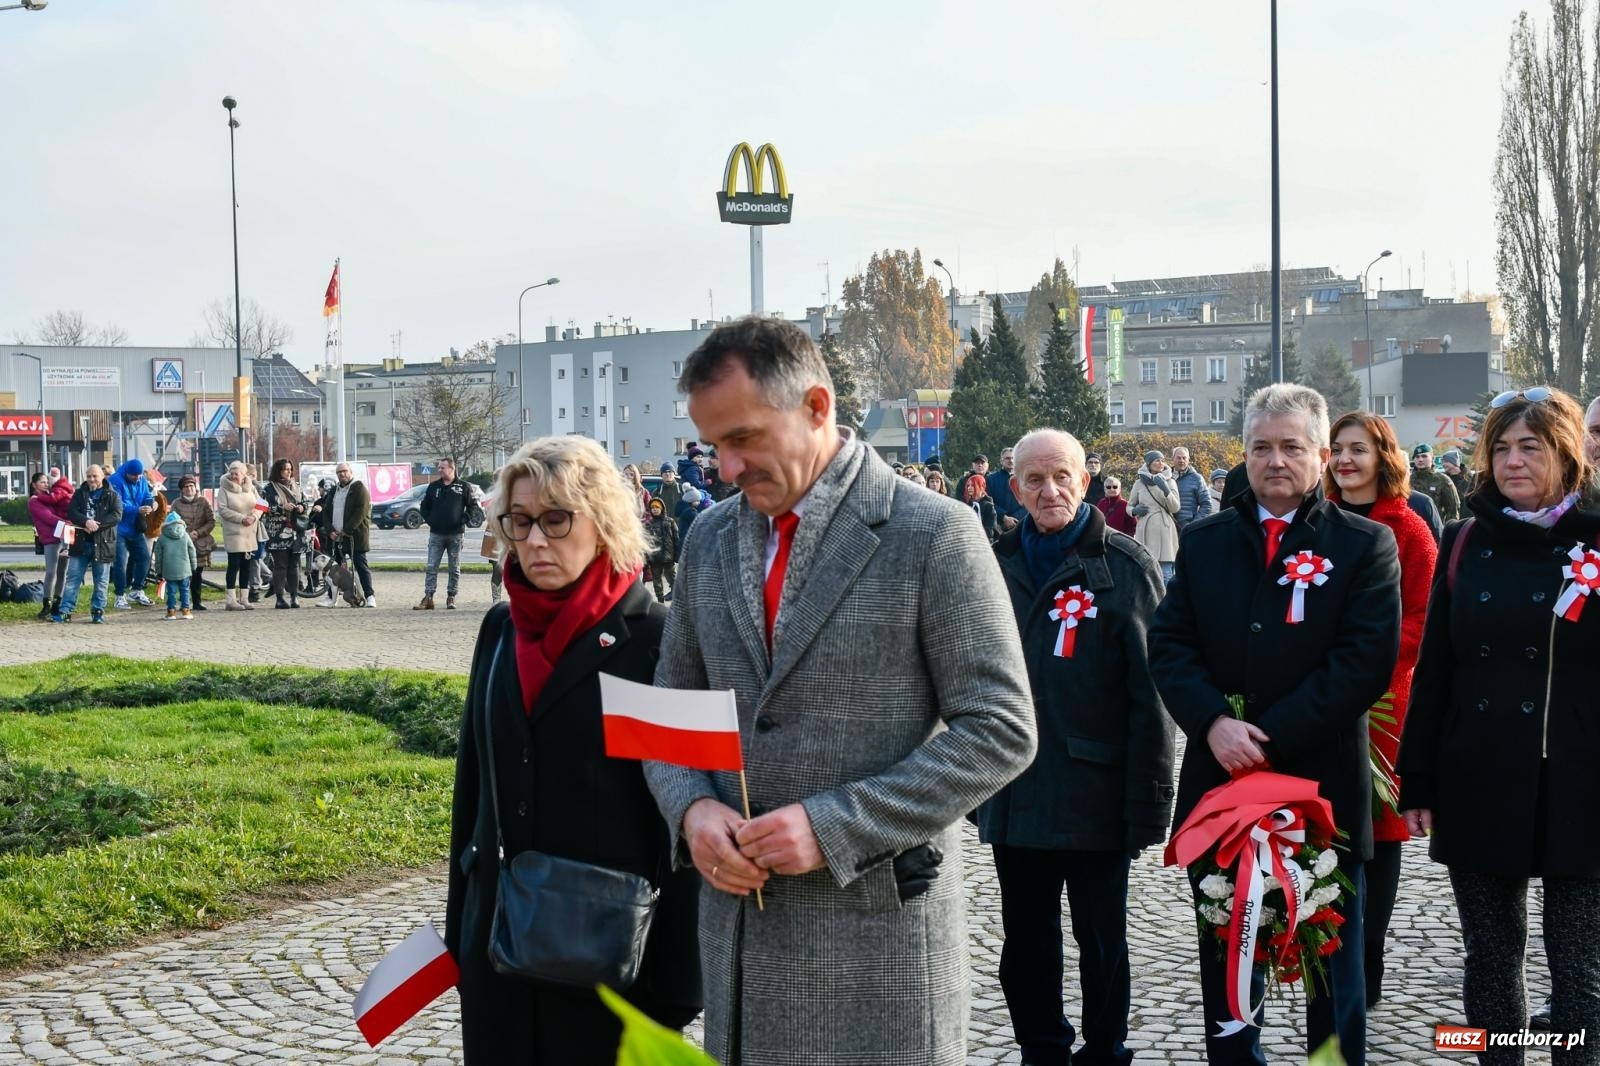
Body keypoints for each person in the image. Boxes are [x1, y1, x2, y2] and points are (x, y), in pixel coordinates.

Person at [642, 316, 1035, 1065]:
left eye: (745, 438)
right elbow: (670, 711)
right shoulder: (709, 538)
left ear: (817, 407)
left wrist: (831, 826)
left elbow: (1002, 729)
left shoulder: (936, 534)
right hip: (741, 940)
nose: (724, 466)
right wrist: (691, 812)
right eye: (713, 444)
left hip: (877, 944)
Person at [1149, 383, 1400, 1065]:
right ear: (1245, 454)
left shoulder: (1364, 546)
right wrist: (1211, 725)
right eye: (1261, 446)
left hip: (1322, 795)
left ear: (1321, 455)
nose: (1276, 460)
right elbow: (1169, 647)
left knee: (1333, 967)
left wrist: (1267, 737)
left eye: (1292, 446)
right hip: (1220, 787)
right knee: (1229, 958)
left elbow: (1362, 663)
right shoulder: (1202, 545)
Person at [446, 435, 702, 1064]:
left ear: (603, 522)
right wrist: (462, 932)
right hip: (499, 956)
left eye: (557, 520)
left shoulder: (657, 640)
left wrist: (675, 986)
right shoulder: (500, 630)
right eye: (521, 521)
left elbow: (688, 819)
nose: (535, 541)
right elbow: (473, 788)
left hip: (613, 964)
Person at [1398, 386, 1600, 1063]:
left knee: (1578, 966)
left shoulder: (1597, 536)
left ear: (1566, 455)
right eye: (1502, 448)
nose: (1513, 461)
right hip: (1480, 771)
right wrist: (1417, 775)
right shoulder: (1464, 541)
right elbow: (1437, 669)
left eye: (1531, 447)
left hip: (1580, 777)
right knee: (1489, 955)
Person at [980, 428, 1173, 1066]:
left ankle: (1105, 1050)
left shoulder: (1124, 564)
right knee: (1025, 943)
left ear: (1085, 481)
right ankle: (1042, 1050)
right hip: (1017, 787)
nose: (1049, 490)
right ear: (1014, 489)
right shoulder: (992, 562)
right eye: (1033, 479)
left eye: (1062, 476)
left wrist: (1149, 800)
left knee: (1102, 941)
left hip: (1098, 791)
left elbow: (1151, 695)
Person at [1323, 410, 1438, 1007]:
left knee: (1377, 829)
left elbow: (1422, 617)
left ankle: (1367, 962)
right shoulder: (1316, 523)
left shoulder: (1408, 528)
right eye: (1337, 448)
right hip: (1317, 693)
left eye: (1358, 449)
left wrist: (1365, 665)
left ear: (1383, 457)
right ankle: (1323, 947)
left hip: (1384, 702)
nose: (1345, 460)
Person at [54, 465, 122, 624]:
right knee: (73, 579)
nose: (91, 479)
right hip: (81, 544)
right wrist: (85, 521)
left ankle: (98, 611)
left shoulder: (112, 495)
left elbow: (117, 515)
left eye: (95, 476)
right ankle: (66, 611)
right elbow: (71, 512)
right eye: (89, 476)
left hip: (103, 544)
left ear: (102, 477)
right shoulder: (79, 493)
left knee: (101, 581)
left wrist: (96, 525)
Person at [315, 462, 375, 607]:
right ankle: (331, 598)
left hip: (355, 537)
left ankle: (369, 596)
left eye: (344, 471)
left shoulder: (359, 489)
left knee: (360, 566)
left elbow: (361, 512)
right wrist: (330, 531)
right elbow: (326, 512)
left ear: (350, 472)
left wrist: (346, 531)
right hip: (336, 537)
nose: (342, 474)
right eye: (339, 472)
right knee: (332, 569)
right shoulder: (334, 490)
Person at [418, 458, 474, 610]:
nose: (440, 470)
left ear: (451, 469)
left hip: (455, 534)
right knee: (431, 566)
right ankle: (428, 597)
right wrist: (431, 520)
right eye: (439, 468)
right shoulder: (433, 487)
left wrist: (463, 520)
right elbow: (424, 507)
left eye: (443, 467)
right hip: (436, 534)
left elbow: (472, 506)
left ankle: (451, 596)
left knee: (454, 567)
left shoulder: (463, 487)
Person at [1127, 450, 1180, 583]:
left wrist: (1166, 489)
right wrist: (1134, 511)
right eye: (1157, 460)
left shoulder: (1170, 481)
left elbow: (1175, 507)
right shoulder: (1139, 483)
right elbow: (1129, 506)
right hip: (1145, 528)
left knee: (1166, 572)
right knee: (1145, 569)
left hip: (1165, 529)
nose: (1161, 463)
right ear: (1149, 463)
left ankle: (1167, 601)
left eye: (1162, 460)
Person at [27, 470, 74, 621]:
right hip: (50, 539)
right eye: (42, 482)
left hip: (63, 535)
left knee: (63, 572)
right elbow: (48, 518)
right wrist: (66, 523)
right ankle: (46, 604)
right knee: (51, 572)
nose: (46, 484)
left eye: (47, 482)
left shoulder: (50, 497)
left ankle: (57, 603)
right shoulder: (34, 501)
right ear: (34, 484)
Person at [262, 458, 308, 609]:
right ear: (278, 471)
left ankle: (295, 596)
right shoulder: (269, 488)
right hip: (277, 531)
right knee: (280, 565)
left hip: (296, 530)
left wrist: (301, 507)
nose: (288, 472)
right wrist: (282, 507)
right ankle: (280, 598)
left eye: (290, 469)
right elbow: (263, 508)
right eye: (285, 469)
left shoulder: (297, 486)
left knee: (294, 566)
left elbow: (306, 502)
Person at [215, 462, 261, 611]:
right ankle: (230, 600)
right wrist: (241, 518)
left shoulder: (251, 487)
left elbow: (262, 504)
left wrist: (254, 517)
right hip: (234, 534)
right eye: (232, 473)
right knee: (233, 566)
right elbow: (222, 509)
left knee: (246, 566)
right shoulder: (224, 489)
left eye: (237, 473)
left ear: (244, 474)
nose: (234, 476)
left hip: (249, 533)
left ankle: (244, 599)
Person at [110, 458, 155, 609]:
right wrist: (136, 509)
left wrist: (150, 504)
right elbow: (116, 503)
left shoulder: (141, 479)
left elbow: (147, 495)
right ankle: (119, 595)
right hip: (119, 528)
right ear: (127, 473)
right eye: (134, 476)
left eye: (139, 475)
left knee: (144, 558)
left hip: (135, 528)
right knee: (120, 563)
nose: (137, 478)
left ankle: (136, 590)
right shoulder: (115, 480)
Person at [172, 475, 216, 612]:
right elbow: (172, 523)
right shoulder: (176, 504)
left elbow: (211, 521)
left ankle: (197, 602)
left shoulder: (204, 502)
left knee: (197, 574)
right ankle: (184, 602)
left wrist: (198, 532)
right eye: (186, 486)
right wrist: (186, 533)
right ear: (182, 489)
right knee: (184, 574)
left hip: (200, 544)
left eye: (191, 486)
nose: (189, 489)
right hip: (183, 543)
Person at [153, 510, 198, 620]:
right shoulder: (186, 536)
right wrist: (194, 567)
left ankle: (171, 612)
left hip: (168, 570)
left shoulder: (162, 538)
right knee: (185, 590)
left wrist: (159, 571)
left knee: (171, 591)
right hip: (185, 569)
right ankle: (186, 611)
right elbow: (192, 552)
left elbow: (158, 557)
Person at [1410, 443, 1461, 523]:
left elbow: (1453, 509)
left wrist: (1448, 531)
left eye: (1424, 456)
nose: (1420, 459)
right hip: (1411, 526)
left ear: (1432, 458)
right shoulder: (1406, 481)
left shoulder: (1443, 480)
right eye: (1417, 457)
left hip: (1434, 528)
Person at [1170, 446, 1215, 532]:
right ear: (1173, 459)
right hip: (1167, 526)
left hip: (1187, 528)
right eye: (1178, 458)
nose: (1181, 460)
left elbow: (1207, 505)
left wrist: (1194, 525)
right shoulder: (1165, 477)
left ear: (1188, 459)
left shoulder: (1197, 478)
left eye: (1184, 458)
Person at [644, 496, 678, 603]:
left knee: (672, 578)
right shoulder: (648, 524)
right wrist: (646, 558)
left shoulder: (670, 521)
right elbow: (645, 542)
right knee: (657, 580)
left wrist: (677, 554)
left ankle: (677, 597)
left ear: (662, 508)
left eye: (657, 507)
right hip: (655, 558)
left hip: (668, 557)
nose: (655, 509)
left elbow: (676, 539)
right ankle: (660, 599)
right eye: (653, 507)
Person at [988, 445, 1026, 533]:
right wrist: (1003, 517)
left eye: (1013, 458)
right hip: (998, 526)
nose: (1011, 460)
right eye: (1007, 458)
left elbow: (1029, 502)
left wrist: (1014, 519)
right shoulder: (991, 479)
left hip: (1021, 525)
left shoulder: (1024, 478)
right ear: (1001, 461)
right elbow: (989, 502)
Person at [964, 468, 999, 541]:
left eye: (973, 485)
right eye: (968, 485)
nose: (969, 488)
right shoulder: (968, 505)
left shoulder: (988, 506)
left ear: (981, 487)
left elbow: (990, 530)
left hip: (986, 543)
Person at [673, 484, 702, 558]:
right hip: (690, 541)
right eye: (697, 500)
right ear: (691, 500)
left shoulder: (684, 509)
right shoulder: (691, 512)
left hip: (684, 540)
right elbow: (699, 523)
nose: (699, 502)